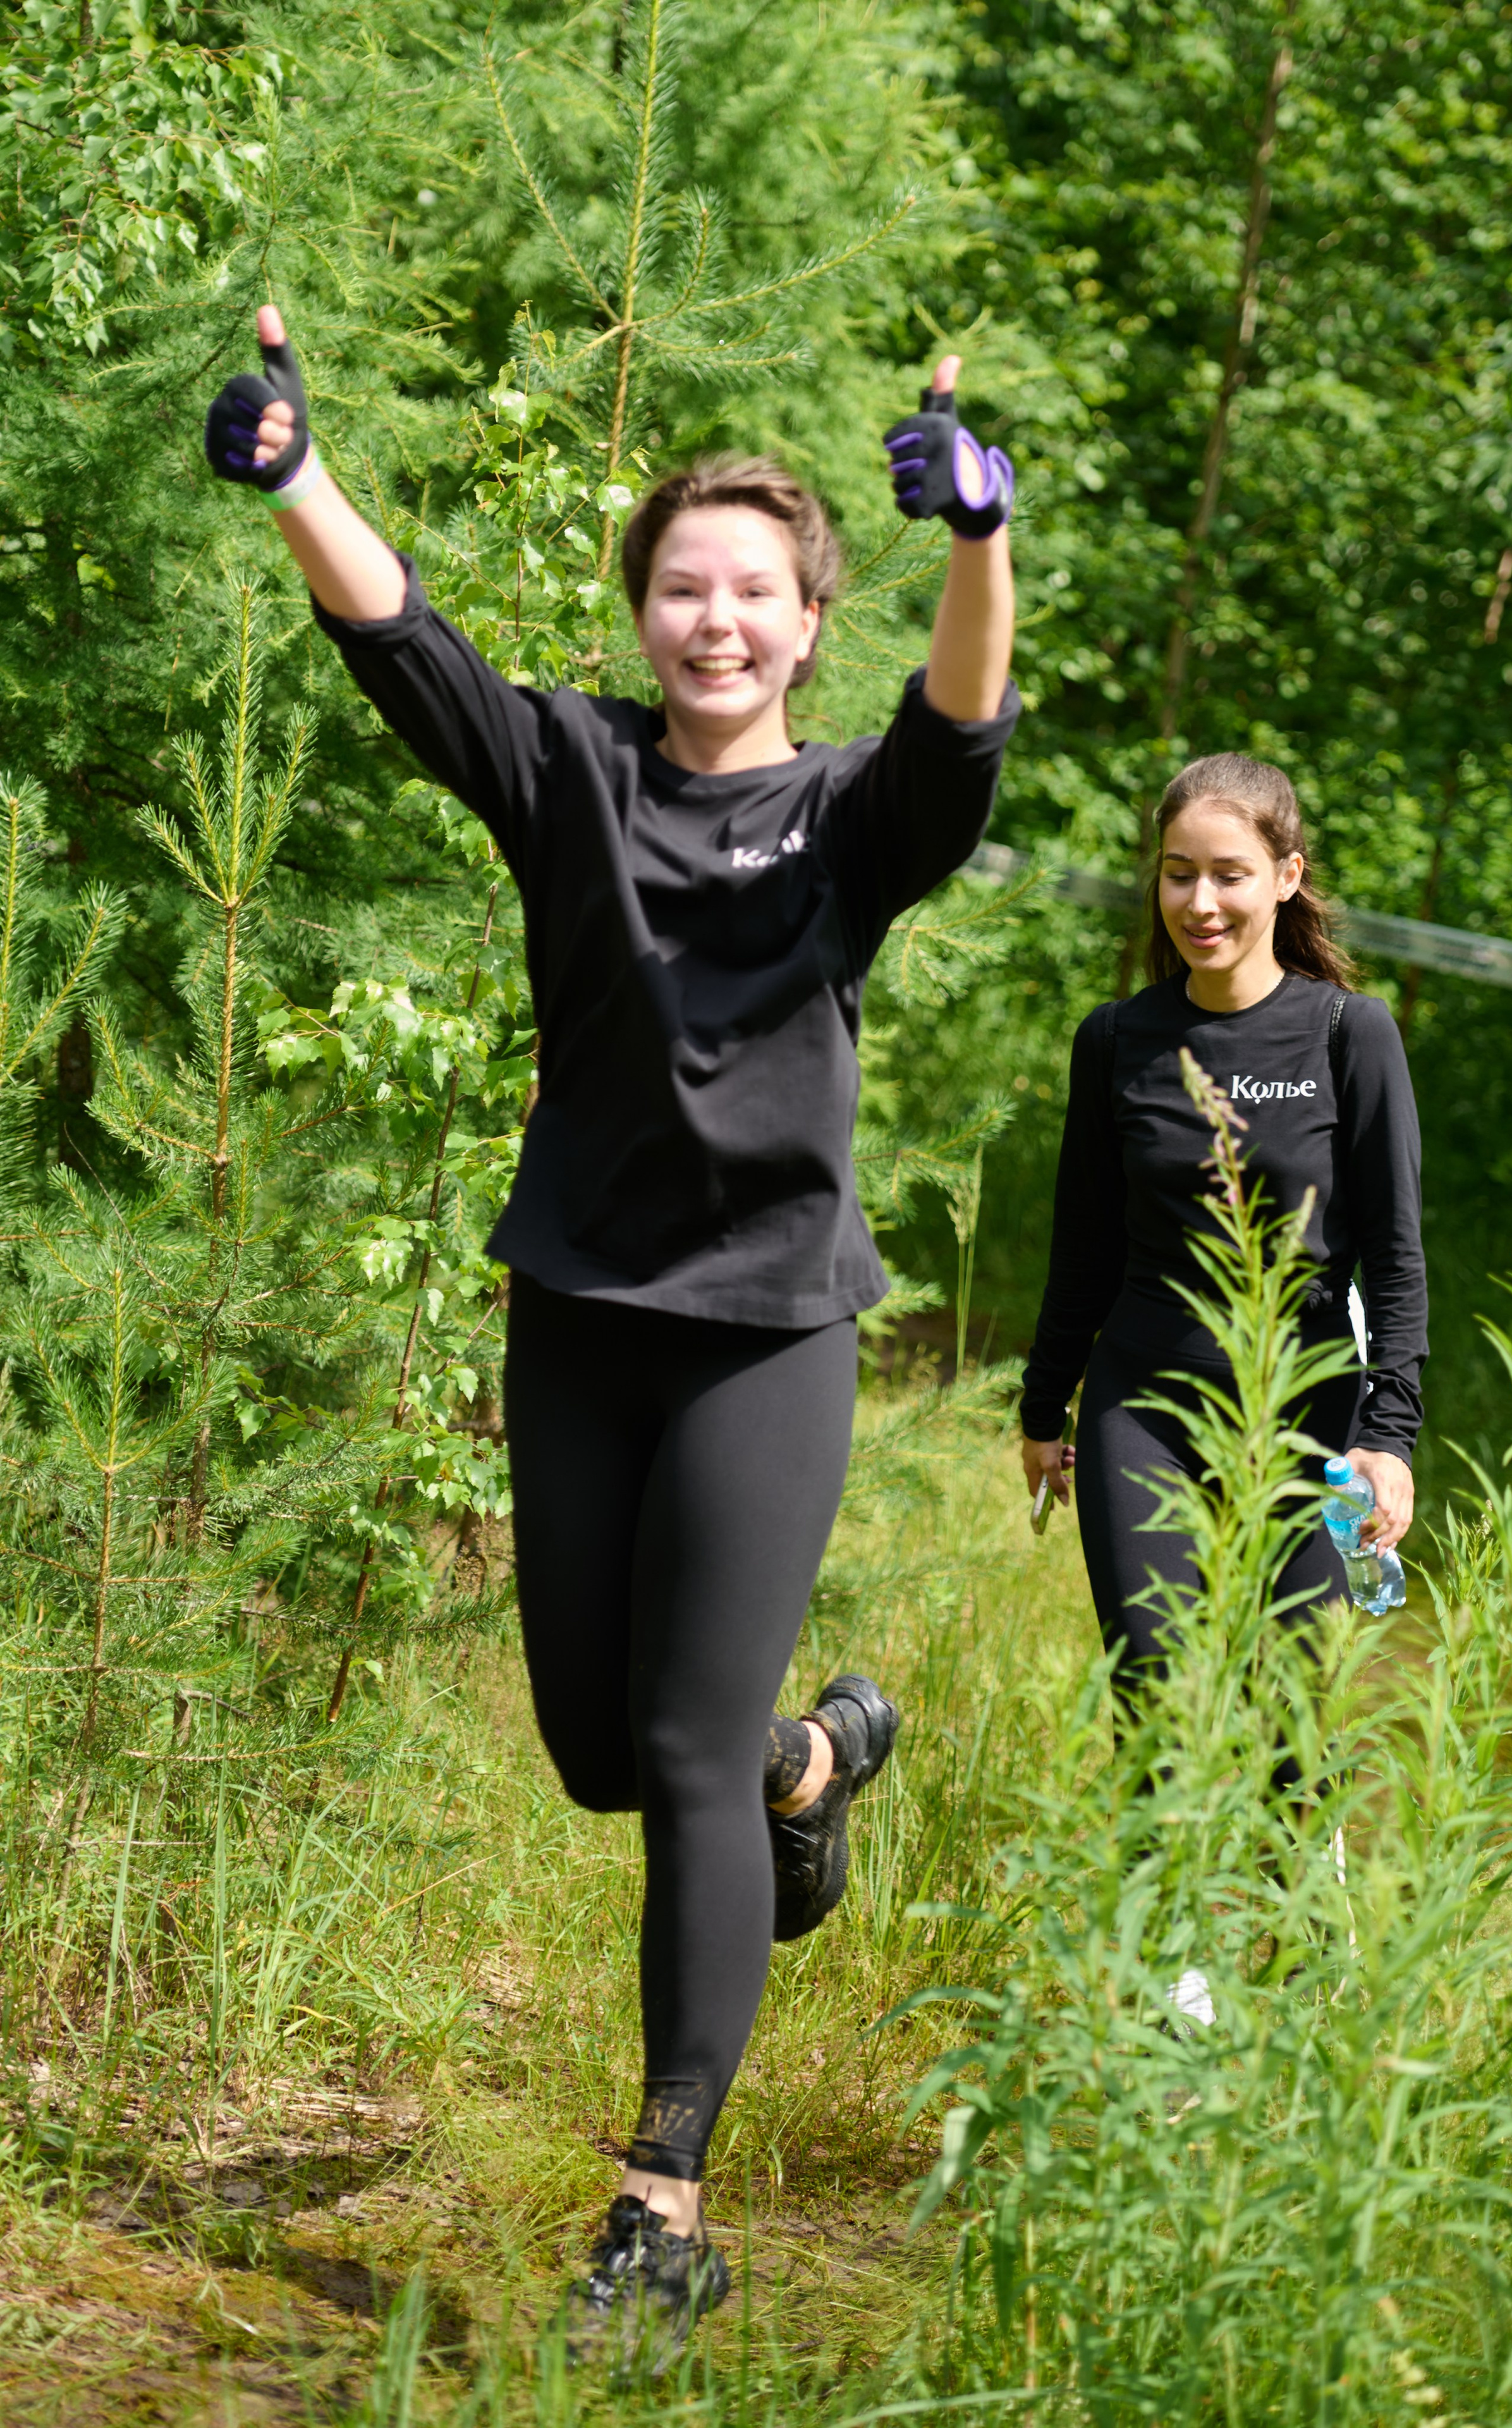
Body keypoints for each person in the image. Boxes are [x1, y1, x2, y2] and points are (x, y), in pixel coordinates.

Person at [204, 309, 1018, 2360]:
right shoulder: (568, 774)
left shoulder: (849, 818)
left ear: (806, 622)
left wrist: (977, 535)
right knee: (607, 1748)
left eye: (754, 589)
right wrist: (300, 473)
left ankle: (661, 2204)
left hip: (766, 1330)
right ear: (645, 608)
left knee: (665, 1752)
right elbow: (417, 659)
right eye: (684, 584)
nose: (714, 617)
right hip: (577, 1306)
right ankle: (805, 1765)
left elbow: (959, 740)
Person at [1020, 756, 1427, 2006]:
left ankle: (1312, 1969)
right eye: (1178, 874)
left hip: (1303, 1412)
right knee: (1151, 1689)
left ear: (1285, 878)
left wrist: (1388, 1434)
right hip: (1144, 1402)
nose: (1199, 901)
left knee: (1280, 1705)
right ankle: (1173, 2006)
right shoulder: (1117, 1040)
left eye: (1229, 875)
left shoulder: (1344, 1035)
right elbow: (1082, 1241)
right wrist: (1044, 1411)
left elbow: (1396, 1253)